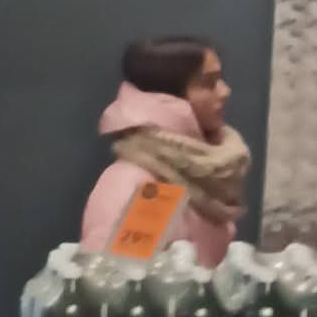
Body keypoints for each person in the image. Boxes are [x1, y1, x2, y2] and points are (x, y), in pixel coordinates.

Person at [81, 31, 248, 264]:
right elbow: (123, 281)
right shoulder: (149, 190)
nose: (224, 92)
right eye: (208, 83)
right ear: (170, 97)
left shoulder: (197, 173)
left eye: (220, 80)